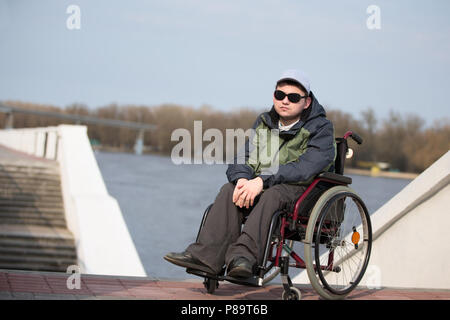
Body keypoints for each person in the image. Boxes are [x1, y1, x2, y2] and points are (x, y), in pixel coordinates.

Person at [164, 69, 336, 278]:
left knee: (274, 195)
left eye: (293, 97)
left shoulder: (321, 128)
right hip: (266, 183)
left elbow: (306, 167)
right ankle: (206, 258)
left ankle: (243, 258)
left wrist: (262, 181)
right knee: (230, 189)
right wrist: (243, 179)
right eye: (279, 95)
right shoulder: (265, 122)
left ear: (306, 102)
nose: (285, 101)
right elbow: (244, 156)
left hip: (302, 190)